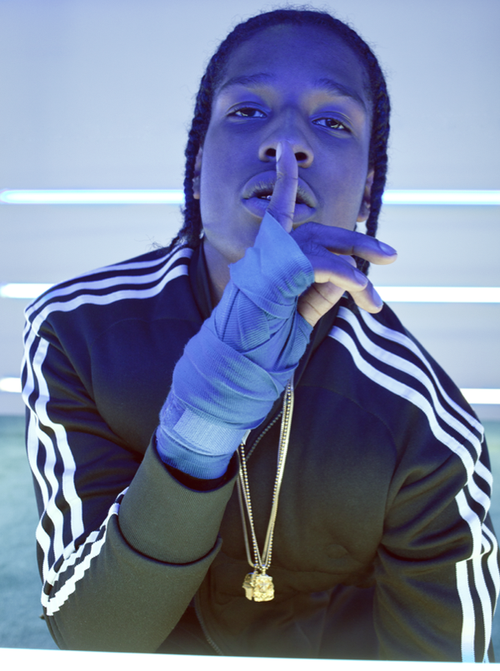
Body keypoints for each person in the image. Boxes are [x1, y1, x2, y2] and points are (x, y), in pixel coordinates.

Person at [22, 8, 499, 662]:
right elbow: (93, 636)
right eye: (247, 111)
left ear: (368, 191)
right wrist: (202, 423)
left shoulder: (431, 427)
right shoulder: (74, 333)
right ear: (197, 164)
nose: (287, 143)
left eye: (333, 123)